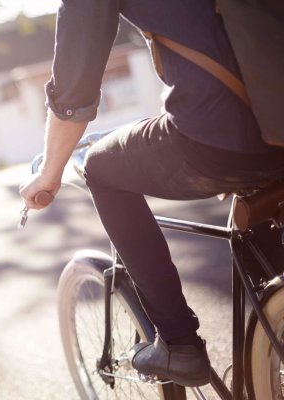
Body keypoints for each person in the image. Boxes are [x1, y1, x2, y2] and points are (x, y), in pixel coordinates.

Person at [19, 0, 284, 388]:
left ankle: (179, 344)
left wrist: (49, 172)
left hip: (227, 131)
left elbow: (75, 84)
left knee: (102, 168)